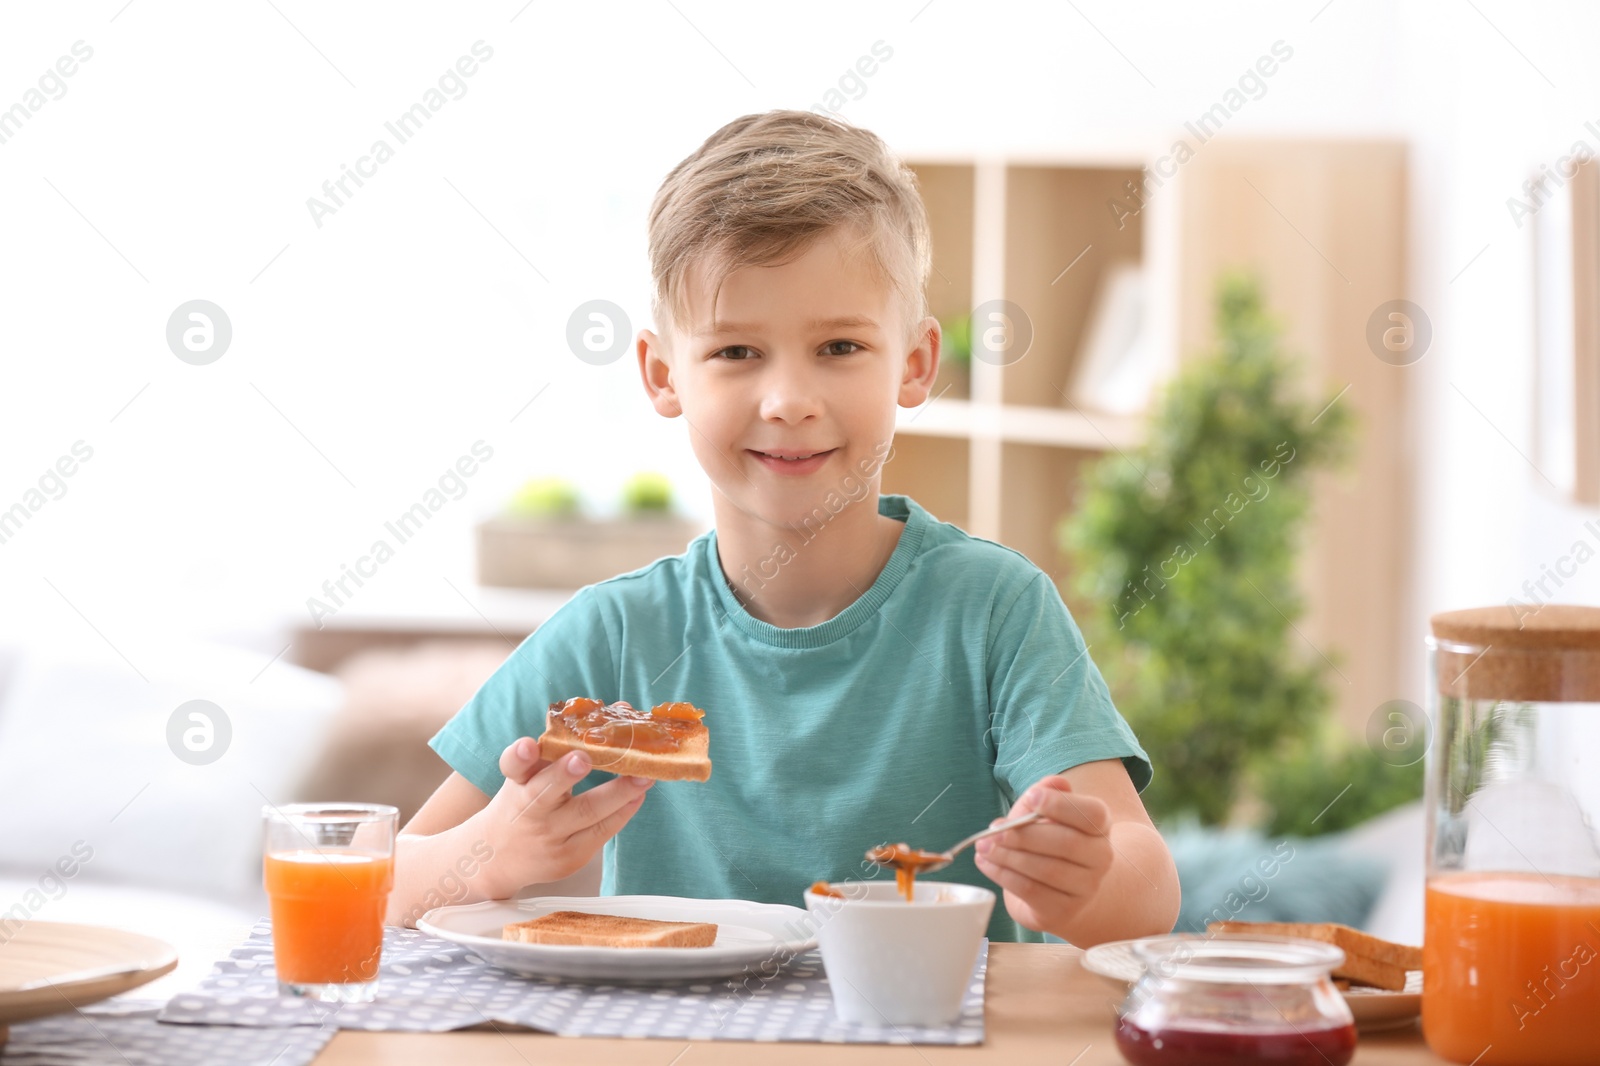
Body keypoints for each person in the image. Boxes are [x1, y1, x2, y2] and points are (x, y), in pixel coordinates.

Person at [388, 110, 1180, 945]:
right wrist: (493, 851)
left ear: (915, 364)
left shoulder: (993, 611)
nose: (789, 399)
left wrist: (1079, 885)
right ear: (664, 375)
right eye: (736, 352)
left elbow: (1147, 887)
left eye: (839, 346)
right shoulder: (614, 635)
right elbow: (379, 886)